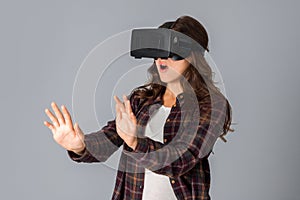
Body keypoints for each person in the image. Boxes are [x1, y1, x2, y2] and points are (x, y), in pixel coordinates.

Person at [44, 15, 234, 200]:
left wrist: (136, 142)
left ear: (193, 57)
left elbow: (181, 160)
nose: (162, 60)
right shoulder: (142, 100)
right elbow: (109, 139)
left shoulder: (212, 106)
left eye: (170, 53)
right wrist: (80, 145)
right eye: (158, 53)